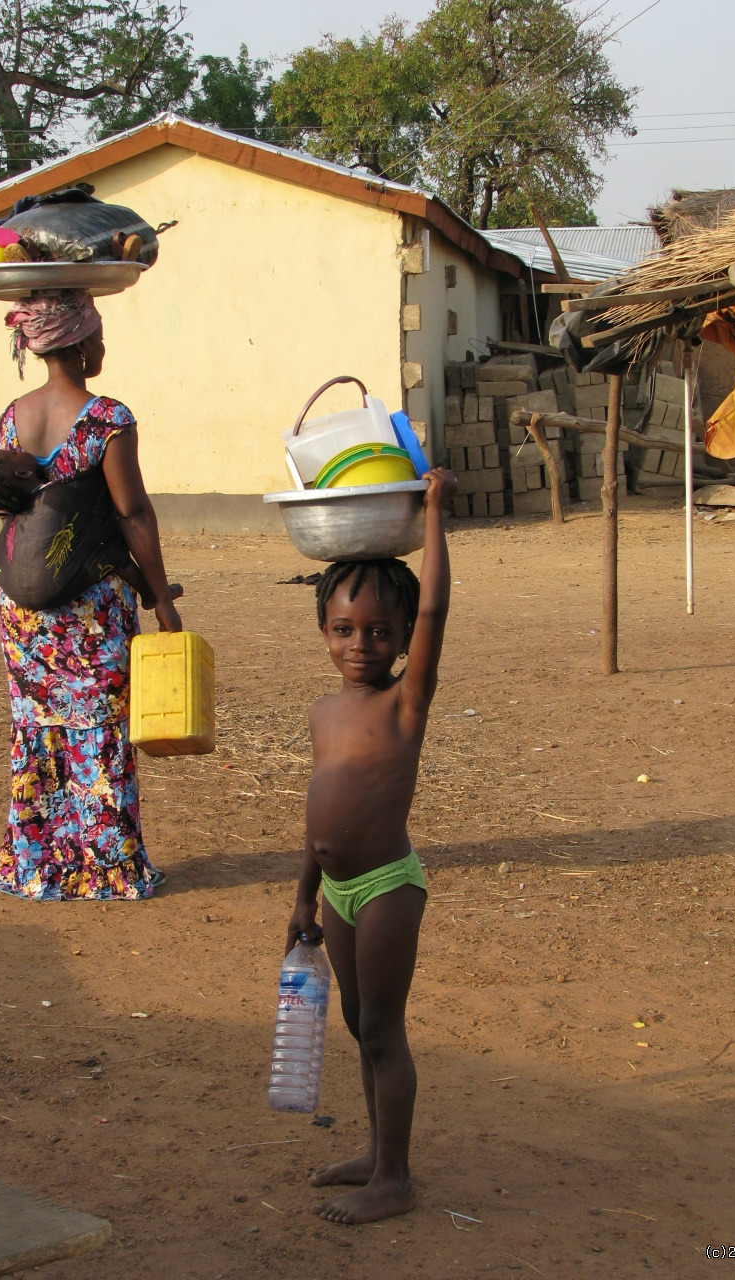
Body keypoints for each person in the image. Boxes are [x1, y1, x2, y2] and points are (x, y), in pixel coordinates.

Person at [285, 466, 457, 1225]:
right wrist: (302, 894)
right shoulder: (325, 711)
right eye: (345, 630)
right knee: (361, 1027)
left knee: (384, 1030)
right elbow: (318, 812)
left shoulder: (404, 701)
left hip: (387, 886)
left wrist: (435, 516)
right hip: (338, 893)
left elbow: (438, 613)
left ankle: (396, 1179)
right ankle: (376, 1153)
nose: (363, 644)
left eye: (382, 632)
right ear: (323, 633)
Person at [0, 289, 182, 901]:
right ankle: (106, 868)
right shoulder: (108, 420)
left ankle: (36, 863)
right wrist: (162, 600)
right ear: (76, 341)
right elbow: (133, 513)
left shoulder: (11, 417)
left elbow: (12, 510)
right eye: (96, 334)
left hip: (21, 605)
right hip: (91, 607)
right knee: (100, 729)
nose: (102, 345)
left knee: (38, 730)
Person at [0, 446, 179, 612]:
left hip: (14, 591)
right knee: (109, 547)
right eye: (15, 452)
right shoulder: (56, 496)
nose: (22, 450)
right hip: (54, 586)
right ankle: (150, 595)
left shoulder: (16, 509)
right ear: (23, 473)